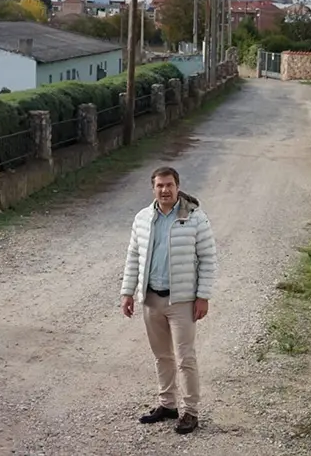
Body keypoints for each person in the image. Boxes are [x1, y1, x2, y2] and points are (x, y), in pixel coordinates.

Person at [120, 166, 218, 435]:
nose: (164, 190)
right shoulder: (142, 218)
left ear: (178, 187)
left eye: (169, 185)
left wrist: (203, 296)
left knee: (185, 357)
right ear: (153, 188)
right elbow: (133, 257)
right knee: (161, 355)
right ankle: (168, 405)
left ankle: (191, 412)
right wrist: (127, 293)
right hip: (151, 299)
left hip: (183, 302)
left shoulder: (195, 218)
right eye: (159, 185)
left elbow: (209, 258)